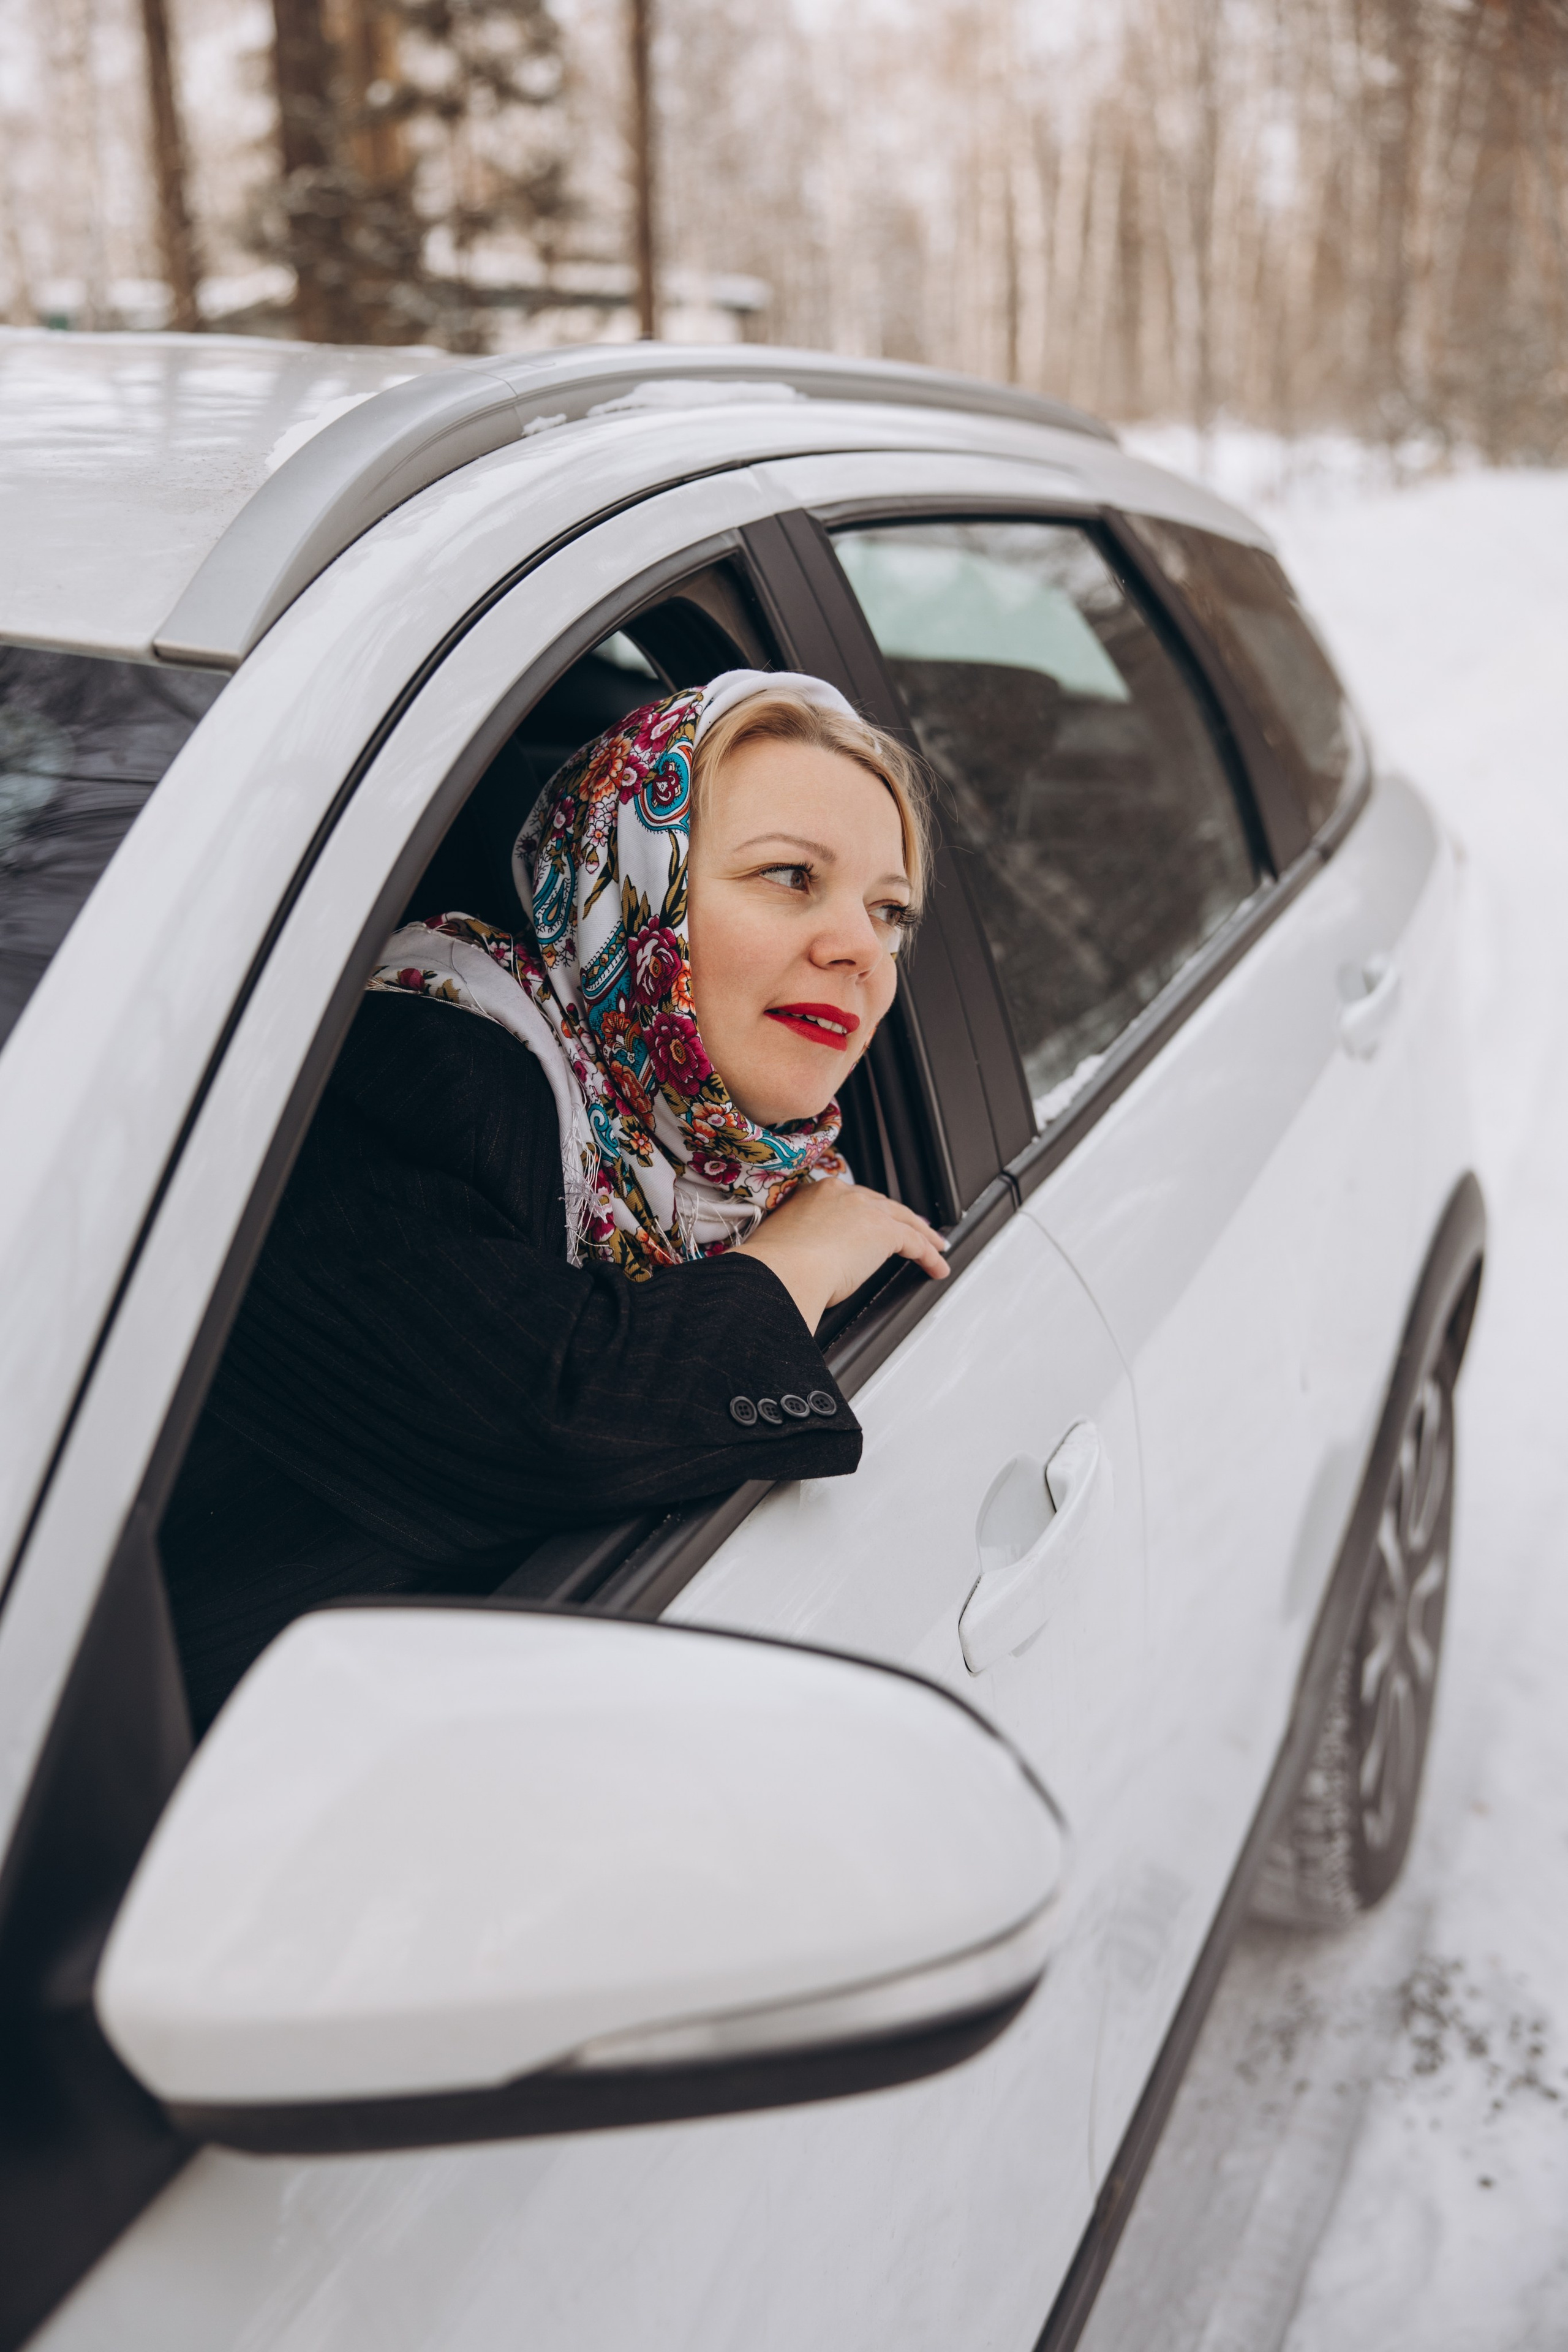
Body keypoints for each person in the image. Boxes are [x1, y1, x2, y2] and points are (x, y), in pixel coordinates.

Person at [162, 671, 948, 1731]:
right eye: (790, 877)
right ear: (634, 893)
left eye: (888, 909)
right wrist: (786, 1271)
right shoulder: (415, 1069)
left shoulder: (749, 1162)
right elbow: (536, 1415)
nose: (860, 947)